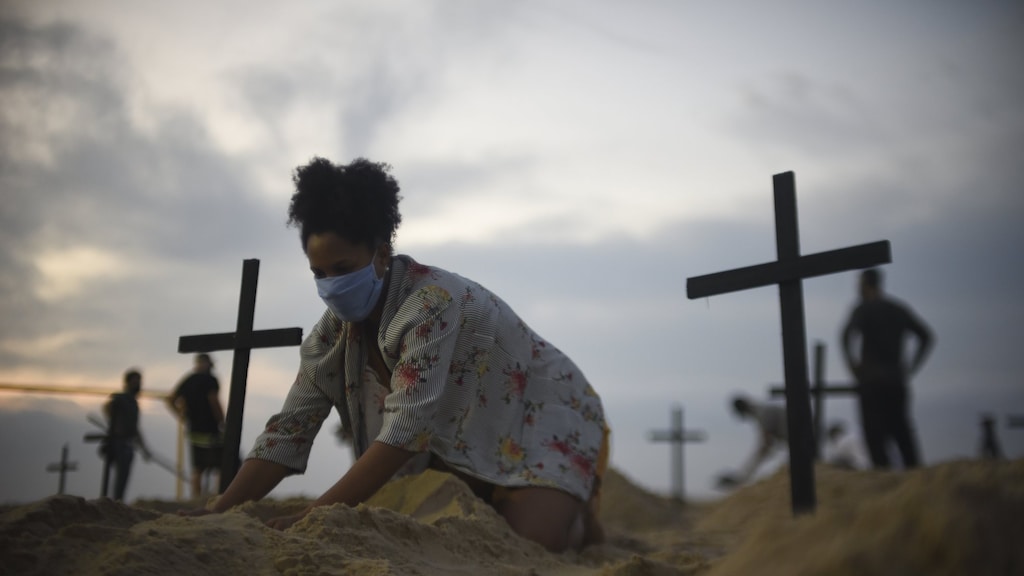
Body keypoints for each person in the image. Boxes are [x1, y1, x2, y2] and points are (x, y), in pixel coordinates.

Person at [183, 157, 609, 553]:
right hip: (468, 424)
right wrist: (220, 510)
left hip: (542, 407)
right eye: (319, 273)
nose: (331, 284)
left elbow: (406, 430)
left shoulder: (430, 304)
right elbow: (289, 430)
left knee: (531, 543)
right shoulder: (329, 338)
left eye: (344, 268)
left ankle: (578, 514)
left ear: (382, 256)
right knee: (454, 514)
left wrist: (312, 516)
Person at [841, 268, 934, 470]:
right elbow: (926, 336)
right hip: (895, 381)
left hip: (871, 382)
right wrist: (911, 368)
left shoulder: (863, 309)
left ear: (866, 285)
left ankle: (885, 477)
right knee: (902, 432)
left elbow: (845, 336)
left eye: (859, 284)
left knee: (875, 436)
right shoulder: (898, 309)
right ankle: (914, 476)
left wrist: (853, 366)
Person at [167, 353, 226, 498]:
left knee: (198, 467)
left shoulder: (188, 379)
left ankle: (196, 498)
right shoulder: (210, 380)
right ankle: (218, 495)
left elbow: (171, 399)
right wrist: (222, 422)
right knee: (221, 464)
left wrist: (182, 416)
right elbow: (214, 401)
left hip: (194, 429)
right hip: (209, 429)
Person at [717, 394, 787, 488]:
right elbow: (767, 444)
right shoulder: (763, 411)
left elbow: (767, 443)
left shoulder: (764, 413)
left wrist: (746, 473)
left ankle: (740, 480)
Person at [103, 368, 151, 501]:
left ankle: (118, 501)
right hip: (119, 442)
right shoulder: (121, 399)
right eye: (135, 382)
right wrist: (116, 427)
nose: (138, 385)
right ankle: (114, 502)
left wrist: (144, 449)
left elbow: (135, 428)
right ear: (128, 382)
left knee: (123, 477)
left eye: (139, 382)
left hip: (128, 443)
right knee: (119, 476)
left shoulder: (133, 403)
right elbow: (107, 408)